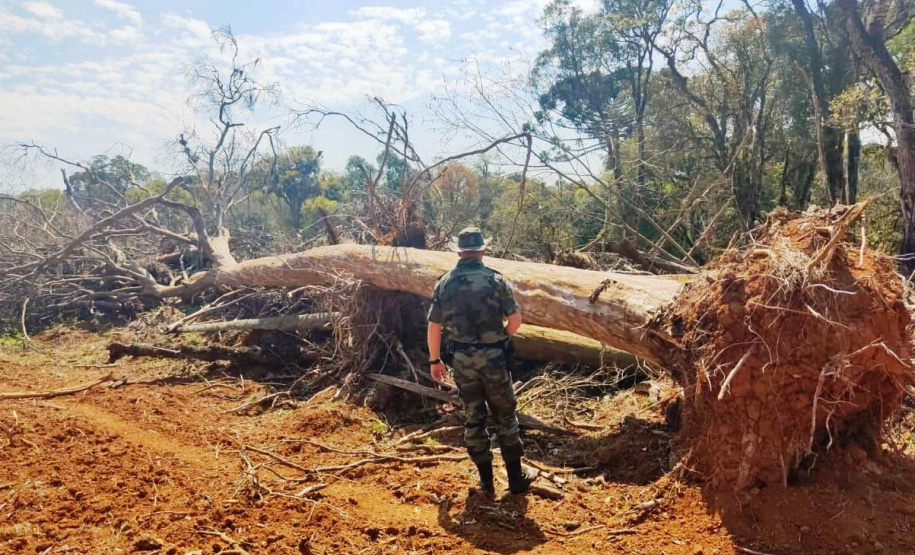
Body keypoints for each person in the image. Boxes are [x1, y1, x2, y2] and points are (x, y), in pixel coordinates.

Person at [426, 227, 536, 496]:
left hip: (462, 361)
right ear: (483, 250)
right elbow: (516, 320)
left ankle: (486, 483)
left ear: (459, 251)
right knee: (505, 416)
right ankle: (515, 479)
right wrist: (500, 337)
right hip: (495, 358)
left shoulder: (444, 283)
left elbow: (433, 325)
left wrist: (435, 360)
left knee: (474, 418)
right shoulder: (496, 280)